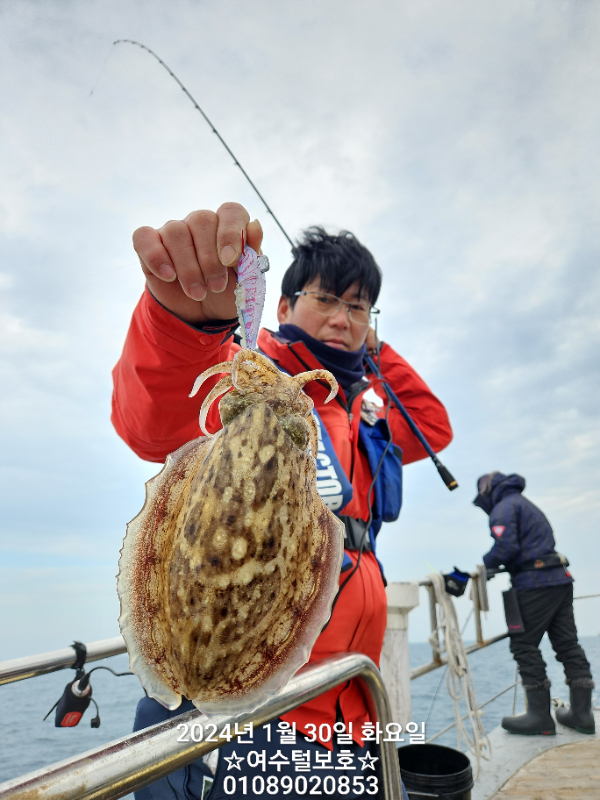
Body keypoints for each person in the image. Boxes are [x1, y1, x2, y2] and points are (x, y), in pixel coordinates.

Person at [112, 202, 453, 799]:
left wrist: (375, 350)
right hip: (262, 716)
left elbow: (433, 425)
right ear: (285, 306)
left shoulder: (366, 409)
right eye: (327, 299)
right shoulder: (249, 368)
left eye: (359, 307)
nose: (343, 318)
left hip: (352, 707)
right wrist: (187, 323)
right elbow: (154, 421)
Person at [474, 471, 595, 736]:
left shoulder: (503, 508)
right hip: (559, 579)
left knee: (524, 645)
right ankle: (582, 714)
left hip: (534, 584)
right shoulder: (526, 504)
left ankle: (539, 717)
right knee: (567, 644)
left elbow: (505, 548)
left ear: (488, 492)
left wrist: (484, 565)